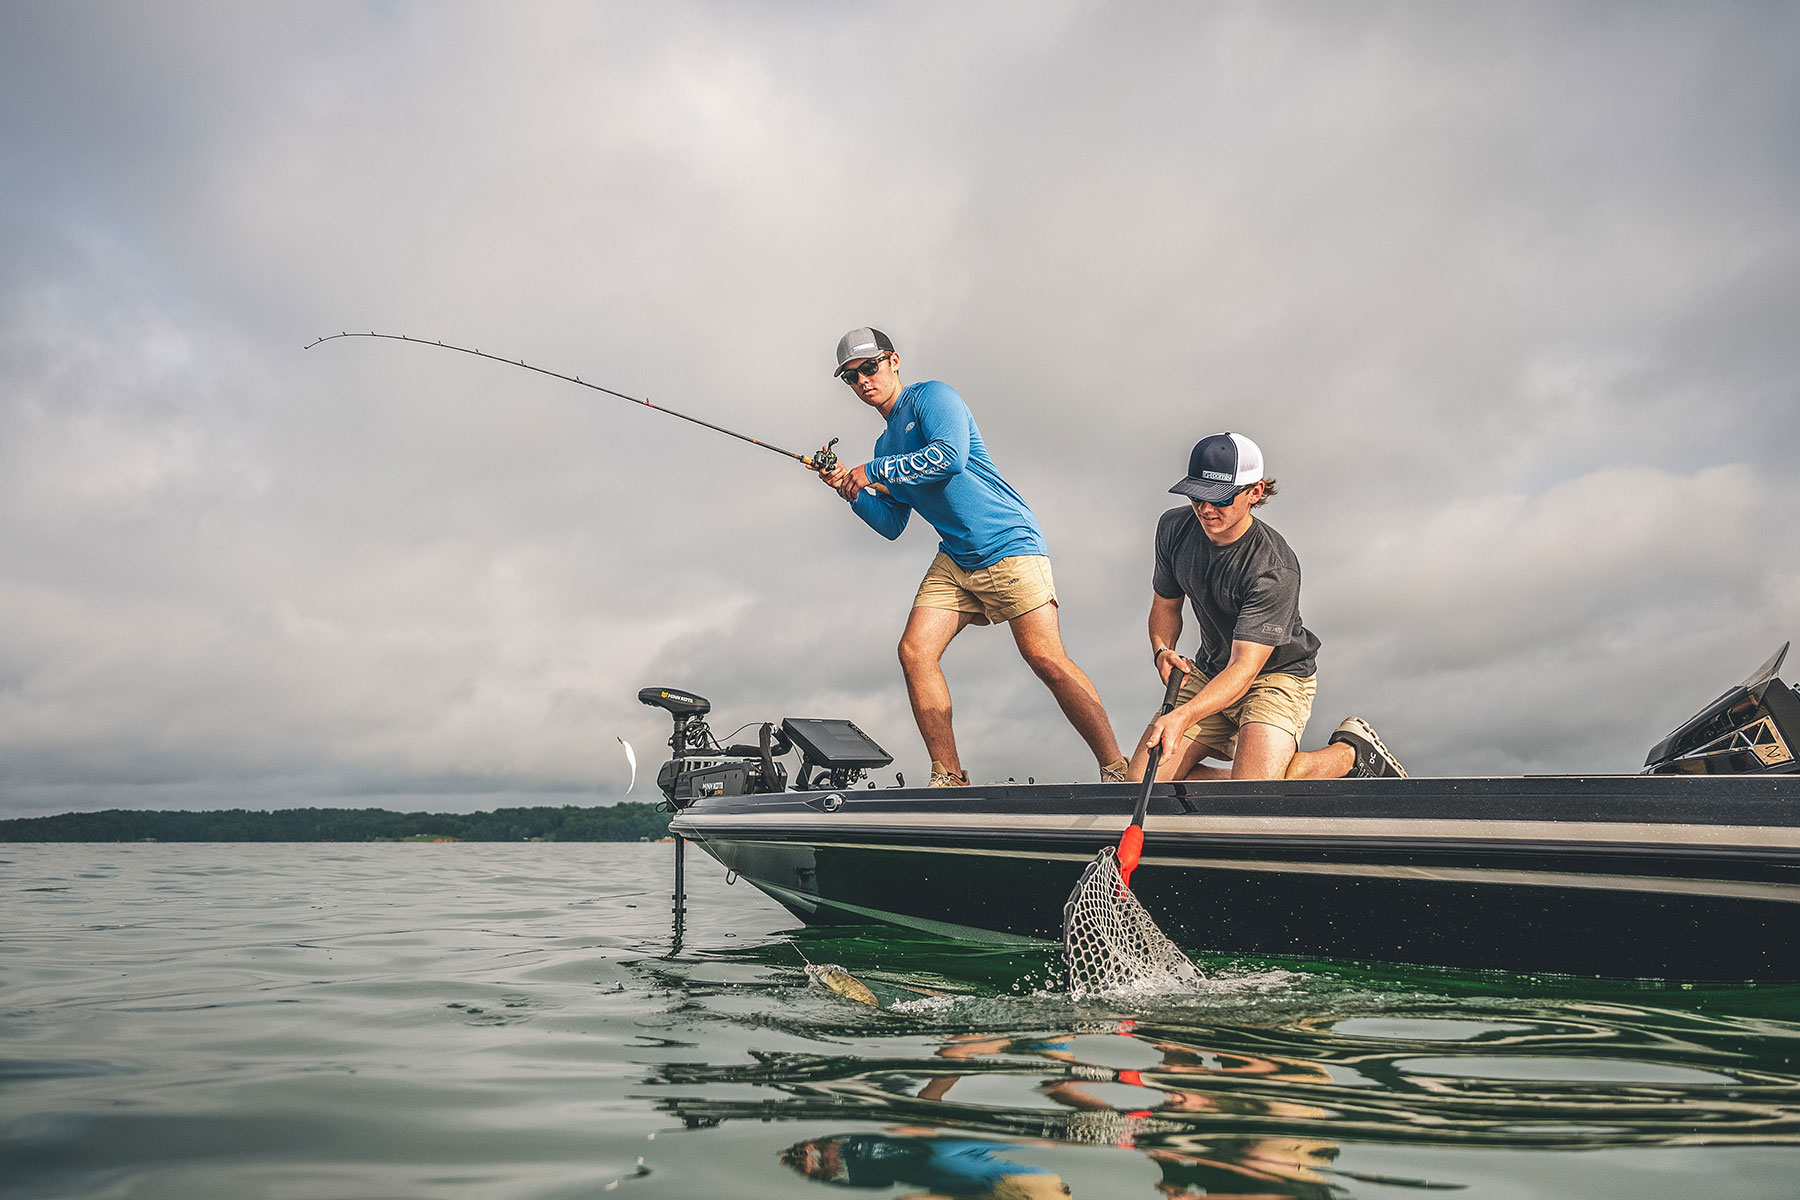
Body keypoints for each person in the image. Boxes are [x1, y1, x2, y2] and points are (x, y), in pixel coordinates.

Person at [817, 327, 1126, 787]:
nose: (862, 379)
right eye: (850, 376)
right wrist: (851, 489)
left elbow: (950, 457)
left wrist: (872, 471)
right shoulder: (884, 446)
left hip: (1008, 543)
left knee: (1044, 658)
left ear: (894, 360)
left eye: (870, 367)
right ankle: (948, 776)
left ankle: (1118, 770)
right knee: (915, 651)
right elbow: (891, 524)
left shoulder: (932, 398)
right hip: (957, 559)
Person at [1129, 432, 1405, 782]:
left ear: (1255, 492)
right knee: (1140, 785)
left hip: (1275, 677)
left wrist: (1182, 717)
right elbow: (1166, 606)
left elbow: (1245, 669)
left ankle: (1350, 754)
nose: (1206, 509)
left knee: (1254, 797)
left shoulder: (1273, 569)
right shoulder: (1173, 528)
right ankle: (1248, 782)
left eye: (1221, 498)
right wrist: (1162, 650)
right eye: (1198, 496)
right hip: (1212, 672)